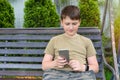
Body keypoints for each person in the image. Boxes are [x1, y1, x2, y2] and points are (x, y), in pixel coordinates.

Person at [42, 5, 99, 80]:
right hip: (57, 74)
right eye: (67, 24)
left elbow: (95, 68)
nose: (71, 28)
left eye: (74, 24)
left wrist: (83, 67)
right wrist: (55, 63)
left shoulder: (86, 41)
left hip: (81, 74)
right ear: (62, 22)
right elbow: (44, 66)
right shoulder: (54, 40)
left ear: (79, 22)